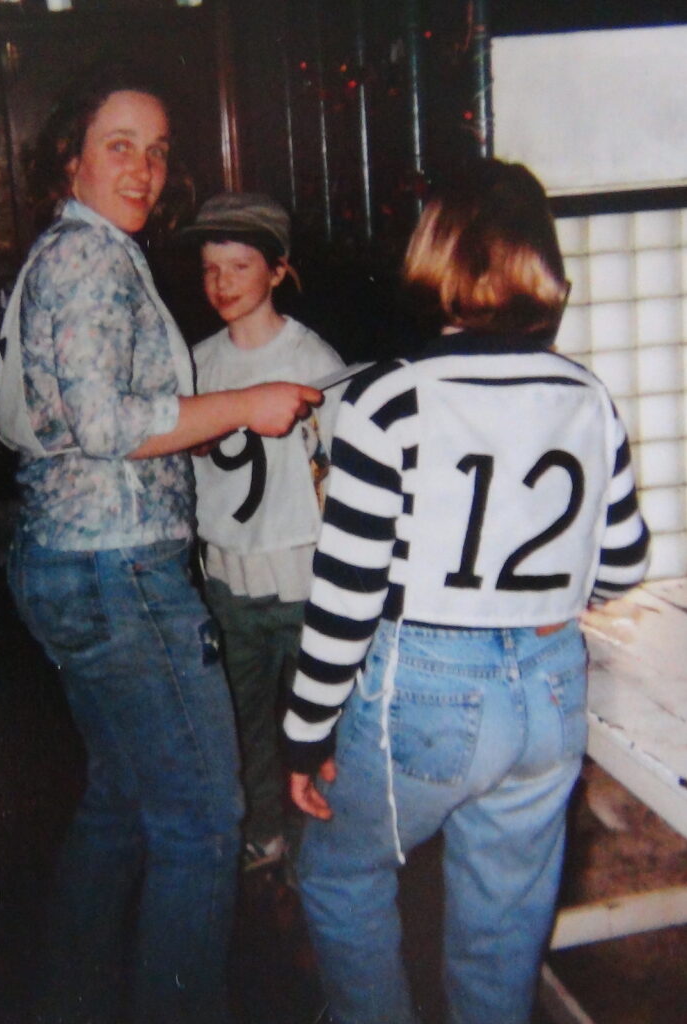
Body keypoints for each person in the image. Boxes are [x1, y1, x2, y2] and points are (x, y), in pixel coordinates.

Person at [282, 158, 650, 1024]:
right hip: (552, 690)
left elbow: (346, 595)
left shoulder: (387, 400)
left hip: (424, 688)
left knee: (340, 874)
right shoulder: (586, 395)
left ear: (435, 255)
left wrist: (304, 736)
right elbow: (624, 563)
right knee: (503, 914)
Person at [0, 64, 320, 1024]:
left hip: (70, 561)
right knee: (199, 825)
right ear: (72, 158)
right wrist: (248, 404)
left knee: (123, 801)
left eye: (156, 151)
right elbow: (106, 421)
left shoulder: (76, 248)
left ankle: (76, 995)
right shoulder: (89, 259)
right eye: (119, 147)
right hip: (120, 568)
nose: (143, 170)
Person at [182, 193, 345, 871]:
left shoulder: (312, 359)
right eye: (211, 268)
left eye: (240, 267)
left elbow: (344, 473)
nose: (222, 284)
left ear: (277, 272)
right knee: (242, 722)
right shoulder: (194, 363)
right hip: (228, 582)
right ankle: (264, 831)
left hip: (303, 580)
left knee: (321, 721)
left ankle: (331, 842)